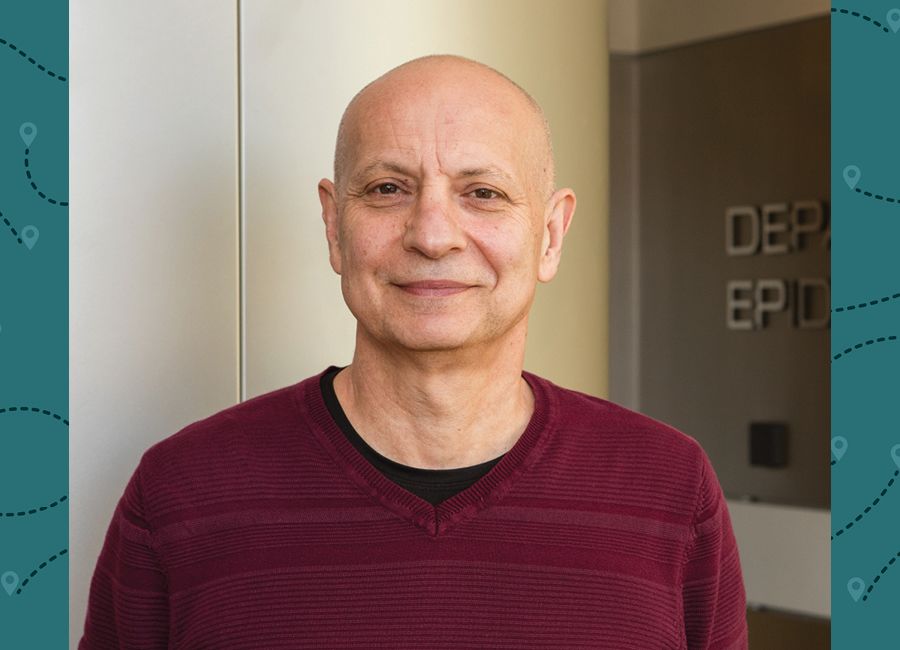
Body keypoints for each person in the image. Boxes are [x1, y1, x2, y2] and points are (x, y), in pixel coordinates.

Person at [80, 55, 748, 649]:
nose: (432, 235)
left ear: (550, 234)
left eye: (481, 193)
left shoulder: (668, 489)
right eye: (387, 189)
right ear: (333, 226)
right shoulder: (182, 495)